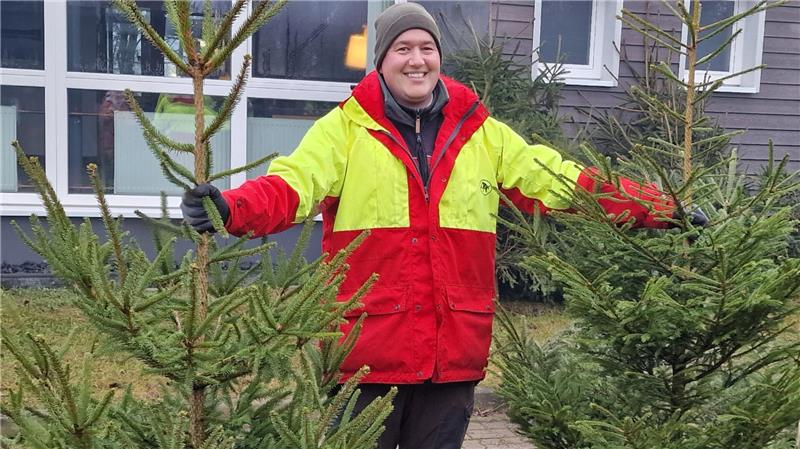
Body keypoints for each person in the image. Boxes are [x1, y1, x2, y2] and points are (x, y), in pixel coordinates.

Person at [181, 3, 705, 448]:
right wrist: (230, 207)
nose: (417, 59)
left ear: (438, 57)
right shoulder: (344, 129)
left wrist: (660, 207)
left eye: (425, 48)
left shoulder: (482, 132)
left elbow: (561, 181)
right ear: (381, 61)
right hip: (366, 355)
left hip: (451, 353)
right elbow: (291, 187)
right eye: (402, 48)